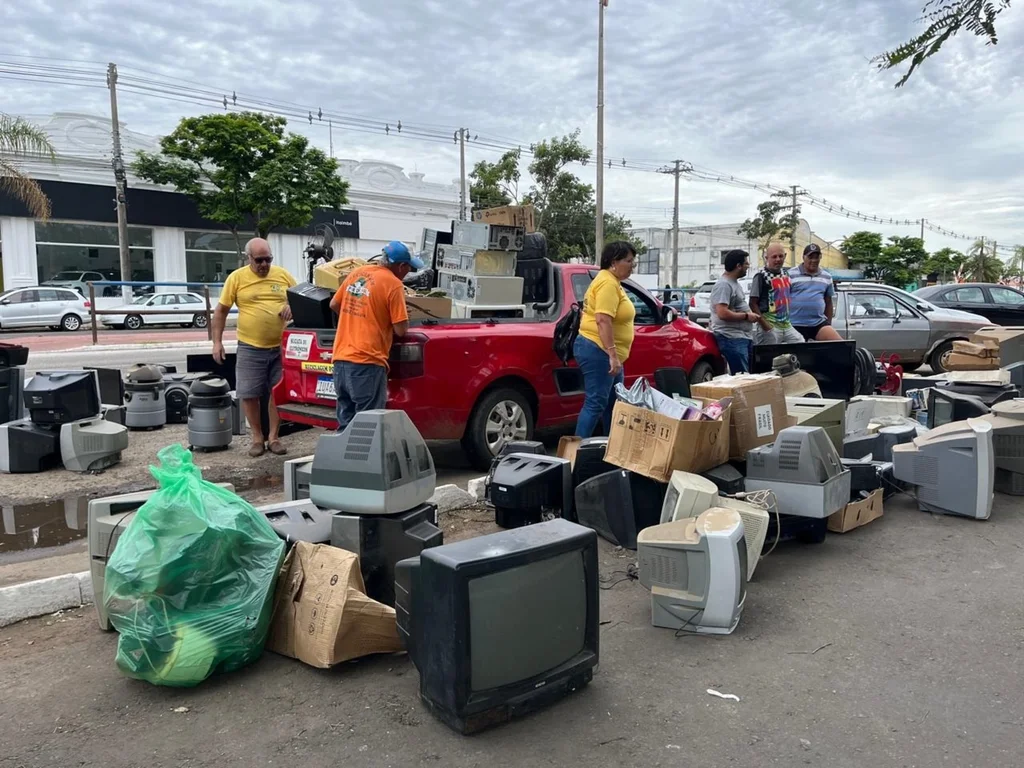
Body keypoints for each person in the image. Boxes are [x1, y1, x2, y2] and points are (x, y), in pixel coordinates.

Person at [212, 237, 297, 457]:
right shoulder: (237, 278)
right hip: (250, 346)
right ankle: (257, 438)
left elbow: (302, 299)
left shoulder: (282, 275)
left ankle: (274, 437)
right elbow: (220, 311)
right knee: (249, 394)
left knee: (277, 393)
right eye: (259, 260)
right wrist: (217, 342)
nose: (264, 265)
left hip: (280, 347)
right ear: (248, 258)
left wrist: (291, 306)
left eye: (268, 259)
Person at [329, 240, 423, 433]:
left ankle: (342, 462)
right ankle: (363, 464)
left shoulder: (358, 273)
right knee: (367, 428)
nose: (408, 273)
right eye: (408, 268)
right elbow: (400, 330)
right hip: (367, 362)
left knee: (345, 425)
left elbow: (334, 304)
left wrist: (358, 319)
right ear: (401, 266)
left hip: (340, 361)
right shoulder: (393, 284)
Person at [574, 241, 637, 438]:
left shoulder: (612, 281)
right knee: (596, 403)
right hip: (599, 350)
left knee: (615, 403)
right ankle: (574, 453)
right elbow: (602, 320)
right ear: (613, 262)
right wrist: (612, 354)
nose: (632, 266)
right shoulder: (607, 283)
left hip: (607, 352)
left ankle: (611, 449)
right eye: (628, 261)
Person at [710, 250, 760, 373]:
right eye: (746, 264)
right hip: (731, 338)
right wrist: (746, 316)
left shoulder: (734, 284)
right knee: (742, 378)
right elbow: (722, 313)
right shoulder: (724, 285)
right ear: (738, 266)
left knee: (749, 375)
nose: (748, 266)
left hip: (742, 337)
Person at [748, 243, 804, 345]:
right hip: (770, 325)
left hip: (786, 325)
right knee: (769, 357)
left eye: (780, 256)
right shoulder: (761, 276)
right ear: (766, 258)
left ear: (785, 256)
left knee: (800, 345)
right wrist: (764, 324)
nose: (778, 259)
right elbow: (752, 303)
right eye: (774, 257)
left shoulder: (786, 274)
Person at [790, 243, 843, 341]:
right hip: (794, 324)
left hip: (818, 323)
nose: (814, 260)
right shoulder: (790, 274)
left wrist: (828, 324)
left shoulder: (827, 276)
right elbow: (782, 300)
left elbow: (828, 302)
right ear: (803, 257)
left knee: (839, 345)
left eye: (817, 257)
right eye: (810, 257)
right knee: (796, 354)